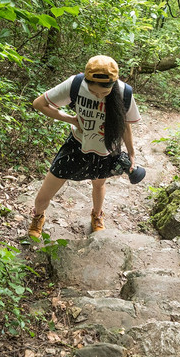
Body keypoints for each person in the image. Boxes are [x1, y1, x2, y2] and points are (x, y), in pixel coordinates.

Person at [29, 55, 141, 238]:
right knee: (44, 194)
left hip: (106, 148)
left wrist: (131, 153)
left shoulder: (123, 92)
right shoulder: (75, 84)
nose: (98, 97)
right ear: (87, 80)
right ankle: (38, 215)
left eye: (104, 94)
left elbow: (125, 124)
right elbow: (39, 103)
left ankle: (97, 215)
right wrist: (69, 118)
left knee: (99, 184)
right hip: (77, 145)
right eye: (94, 92)